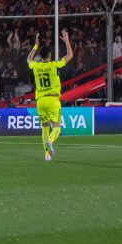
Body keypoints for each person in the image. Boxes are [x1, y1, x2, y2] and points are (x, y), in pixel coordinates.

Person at [28, 31, 74, 161]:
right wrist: (66, 40)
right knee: (56, 128)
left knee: (44, 127)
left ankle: (47, 154)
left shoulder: (36, 66)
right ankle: (50, 140)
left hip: (40, 101)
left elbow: (28, 59)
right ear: (50, 55)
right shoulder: (54, 65)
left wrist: (35, 46)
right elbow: (70, 55)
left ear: (41, 56)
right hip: (53, 99)